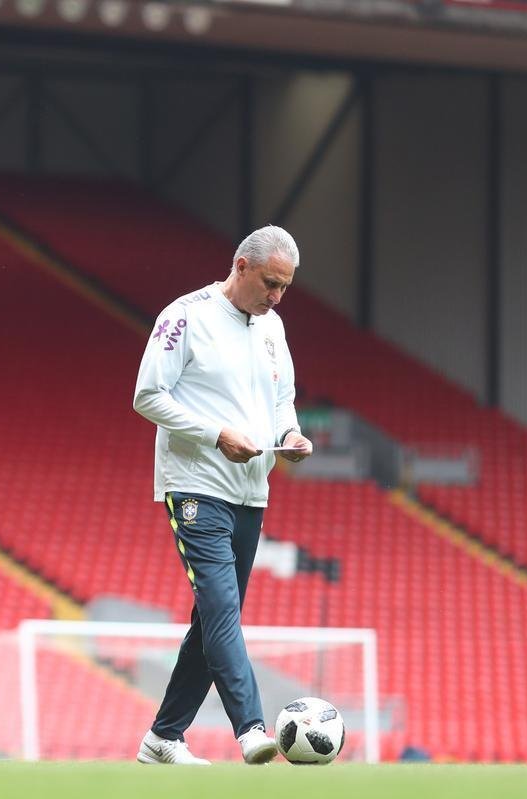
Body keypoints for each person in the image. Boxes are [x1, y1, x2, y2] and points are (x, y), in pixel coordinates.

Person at [132, 225, 313, 766]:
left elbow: (281, 401)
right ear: (240, 266)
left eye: (284, 287)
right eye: (270, 283)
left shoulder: (273, 327)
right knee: (222, 611)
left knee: (212, 619)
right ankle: (252, 728)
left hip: (251, 492)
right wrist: (216, 435)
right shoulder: (185, 316)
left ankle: (163, 738)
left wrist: (290, 435)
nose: (276, 296)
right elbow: (147, 395)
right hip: (196, 485)